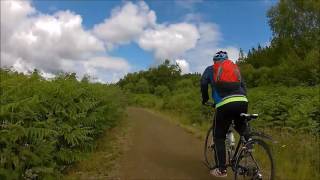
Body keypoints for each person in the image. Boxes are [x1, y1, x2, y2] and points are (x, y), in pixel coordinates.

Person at [200, 51, 249, 178]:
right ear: (227, 60)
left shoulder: (211, 69)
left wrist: (205, 99)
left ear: (214, 61)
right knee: (240, 125)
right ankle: (249, 143)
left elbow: (203, 83)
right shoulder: (234, 69)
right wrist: (240, 100)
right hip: (242, 100)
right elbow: (243, 85)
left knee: (219, 136)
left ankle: (221, 170)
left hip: (224, 104)